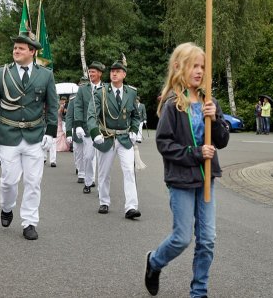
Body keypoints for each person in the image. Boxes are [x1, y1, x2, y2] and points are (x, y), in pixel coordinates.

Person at [145, 42, 223, 298]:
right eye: (194, 66)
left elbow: (221, 141)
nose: (199, 71)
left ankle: (199, 291)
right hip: (181, 180)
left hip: (206, 179)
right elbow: (164, 144)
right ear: (179, 67)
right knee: (181, 238)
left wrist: (217, 118)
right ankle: (155, 262)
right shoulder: (172, 104)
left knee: (207, 239)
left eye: (202, 66)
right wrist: (196, 153)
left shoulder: (208, 100)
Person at [0, 32, 58, 240]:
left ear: (32, 52)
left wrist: (51, 132)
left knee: (33, 181)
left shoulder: (46, 75)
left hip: (34, 134)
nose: (16, 51)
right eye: (15, 48)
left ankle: (30, 221)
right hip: (8, 133)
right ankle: (7, 207)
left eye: (21, 48)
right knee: (8, 181)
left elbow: (52, 105)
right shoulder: (1, 73)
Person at [87, 60, 141, 218]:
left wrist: (134, 130)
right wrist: (95, 132)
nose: (114, 73)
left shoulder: (131, 92)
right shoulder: (101, 92)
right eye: (112, 71)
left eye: (118, 71)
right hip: (106, 137)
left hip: (124, 138)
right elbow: (92, 114)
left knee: (129, 171)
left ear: (124, 74)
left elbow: (135, 116)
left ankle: (131, 206)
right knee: (104, 172)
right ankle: (104, 201)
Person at [74, 62, 105, 194]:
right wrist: (78, 125)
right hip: (87, 129)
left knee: (103, 160)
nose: (91, 74)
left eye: (93, 72)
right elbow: (78, 107)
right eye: (90, 72)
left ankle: (102, 188)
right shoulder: (83, 89)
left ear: (100, 73)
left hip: (104, 130)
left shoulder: (106, 88)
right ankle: (88, 181)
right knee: (88, 157)